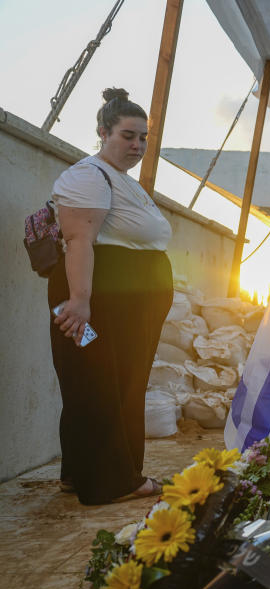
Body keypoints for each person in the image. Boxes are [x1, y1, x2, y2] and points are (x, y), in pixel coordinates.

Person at [49, 88, 172, 505]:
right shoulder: (88, 175)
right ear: (103, 132)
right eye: (127, 136)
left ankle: (81, 472)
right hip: (103, 297)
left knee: (109, 383)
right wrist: (81, 300)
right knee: (105, 385)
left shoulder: (116, 179)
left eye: (143, 138)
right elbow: (78, 239)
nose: (137, 145)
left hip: (126, 299)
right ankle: (113, 480)